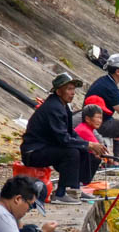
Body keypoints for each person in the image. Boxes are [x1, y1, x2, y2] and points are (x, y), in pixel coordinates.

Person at [21, 72, 106, 204]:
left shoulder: (63, 106)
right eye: (69, 89)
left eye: (73, 89)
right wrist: (88, 144)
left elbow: (70, 132)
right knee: (71, 152)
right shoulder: (53, 108)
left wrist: (87, 145)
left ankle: (76, 189)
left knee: (82, 150)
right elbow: (63, 139)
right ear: (59, 91)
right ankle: (60, 193)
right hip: (33, 152)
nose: (72, 93)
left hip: (47, 147)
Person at [74, 102, 107, 184]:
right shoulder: (84, 130)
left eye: (101, 118)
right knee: (95, 159)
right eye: (98, 118)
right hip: (75, 161)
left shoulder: (86, 128)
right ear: (87, 119)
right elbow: (99, 150)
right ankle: (82, 183)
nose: (100, 121)